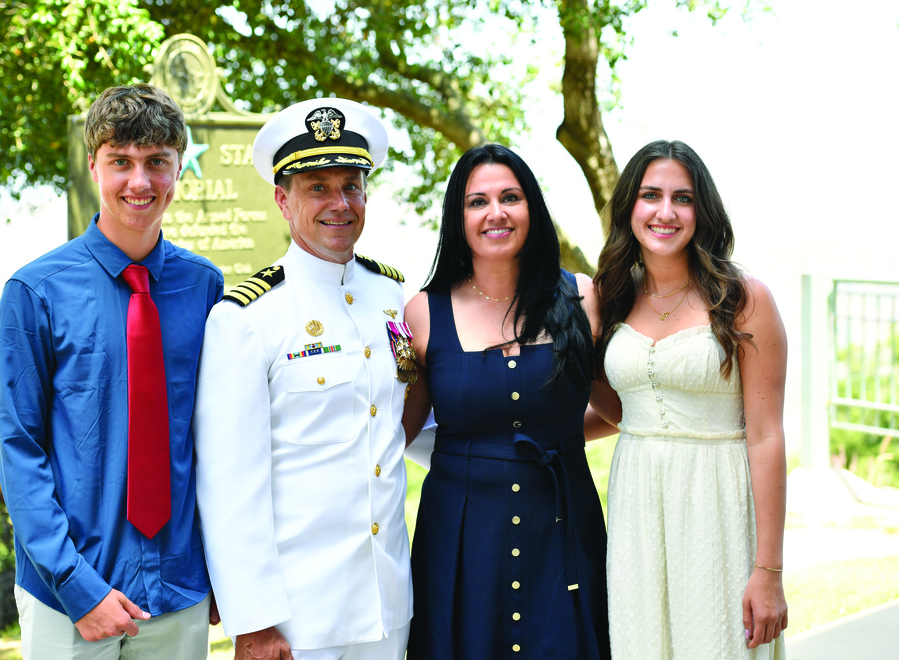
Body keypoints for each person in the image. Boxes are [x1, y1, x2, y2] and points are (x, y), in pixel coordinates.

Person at [0, 83, 224, 659]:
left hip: (180, 588)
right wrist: (76, 584)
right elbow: (18, 448)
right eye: (121, 161)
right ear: (93, 164)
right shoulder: (35, 292)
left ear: (177, 170)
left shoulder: (207, 290)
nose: (139, 182)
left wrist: (224, 568)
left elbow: (220, 439)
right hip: (68, 595)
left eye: (157, 163)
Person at [193, 97, 413, 660]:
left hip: (388, 606)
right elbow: (229, 485)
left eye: (352, 186)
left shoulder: (391, 297)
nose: (339, 204)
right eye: (317, 187)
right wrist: (254, 621)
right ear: (282, 199)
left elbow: (400, 423)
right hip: (297, 621)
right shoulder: (247, 317)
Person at [401, 144, 610, 659]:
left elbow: (619, 406)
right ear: (458, 216)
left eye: (510, 197)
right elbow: (395, 432)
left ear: (532, 209)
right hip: (461, 536)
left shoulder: (583, 298)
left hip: (562, 528)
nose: (495, 212)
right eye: (478, 202)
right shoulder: (422, 313)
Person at [587, 139, 789, 659]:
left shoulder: (743, 299)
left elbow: (766, 438)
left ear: (703, 211)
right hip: (636, 508)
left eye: (683, 198)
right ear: (629, 205)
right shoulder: (611, 298)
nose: (665, 212)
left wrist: (768, 571)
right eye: (650, 195)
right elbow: (622, 409)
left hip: (716, 503)